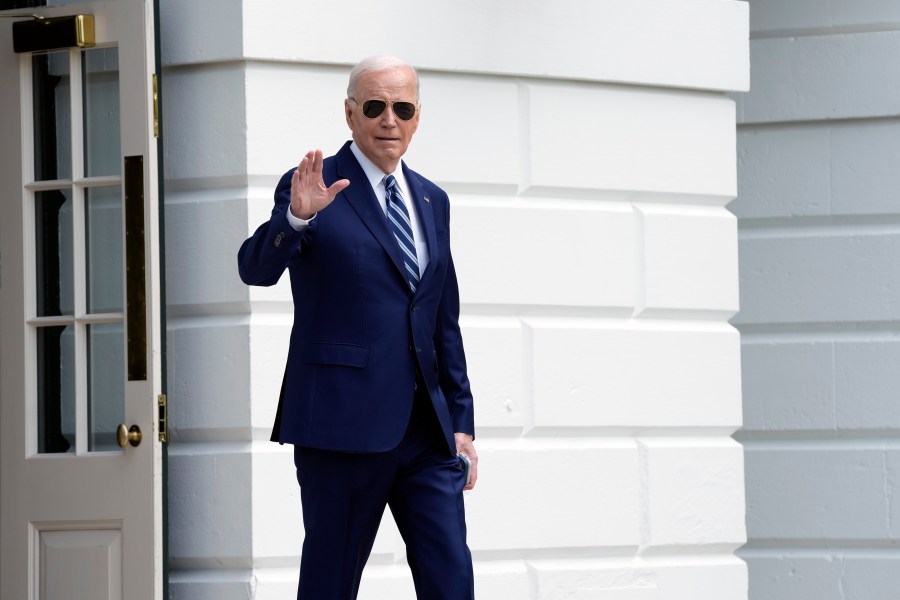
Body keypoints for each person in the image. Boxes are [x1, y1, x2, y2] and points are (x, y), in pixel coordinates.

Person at [237, 55, 477, 600]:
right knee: (330, 582)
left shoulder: (432, 199)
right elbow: (256, 269)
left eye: (402, 108)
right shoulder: (314, 186)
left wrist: (461, 422)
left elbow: (442, 316)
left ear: (417, 117)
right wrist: (295, 219)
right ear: (350, 114)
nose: (388, 119)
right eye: (374, 106)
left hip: (427, 434)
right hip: (342, 427)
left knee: (452, 581)